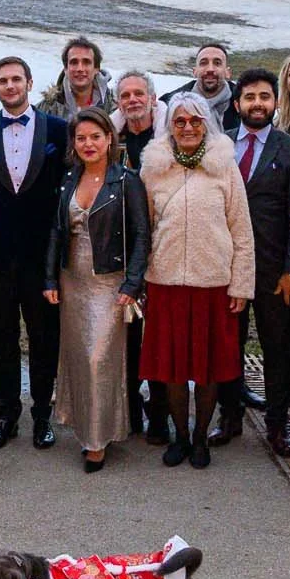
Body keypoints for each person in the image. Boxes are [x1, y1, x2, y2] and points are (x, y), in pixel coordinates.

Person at [139, 92, 254, 468]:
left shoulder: (225, 168)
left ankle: (202, 437)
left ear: (207, 123)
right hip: (165, 281)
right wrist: (139, 279)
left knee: (207, 368)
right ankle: (181, 436)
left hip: (213, 283)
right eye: (180, 121)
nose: (187, 127)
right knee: (172, 367)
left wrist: (240, 285)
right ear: (169, 125)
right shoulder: (153, 169)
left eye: (195, 121)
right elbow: (145, 228)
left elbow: (241, 230)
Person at [43, 107, 149, 470]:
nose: (88, 144)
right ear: (73, 143)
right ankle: (84, 428)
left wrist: (133, 284)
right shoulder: (69, 178)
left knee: (99, 359)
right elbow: (57, 231)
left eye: (95, 137)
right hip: (73, 279)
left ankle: (99, 439)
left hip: (110, 282)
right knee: (76, 357)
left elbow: (141, 236)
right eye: (81, 138)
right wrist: (49, 279)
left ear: (109, 139)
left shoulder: (127, 180)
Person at [0, 56, 69, 451]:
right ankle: (7, 414)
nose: (10, 86)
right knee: (1, 338)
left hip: (41, 257)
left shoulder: (59, 130)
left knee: (44, 338)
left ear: (30, 83)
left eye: (16, 79)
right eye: (2, 81)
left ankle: (42, 415)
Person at [214, 68, 290, 453]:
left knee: (276, 346)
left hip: (273, 268)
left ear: (275, 102)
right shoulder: (219, 146)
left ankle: (277, 425)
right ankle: (229, 417)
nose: (257, 104)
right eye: (250, 97)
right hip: (226, 265)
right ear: (237, 104)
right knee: (228, 345)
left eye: (264, 97)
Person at [114, 70, 166, 440]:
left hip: (162, 247)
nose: (132, 100)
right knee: (129, 337)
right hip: (121, 249)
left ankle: (161, 412)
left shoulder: (167, 138)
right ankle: (130, 409)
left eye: (138, 93)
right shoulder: (111, 137)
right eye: (125, 95)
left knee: (159, 336)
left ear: (152, 97)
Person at [160, 42, 239, 132]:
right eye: (203, 63)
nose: (210, 69)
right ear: (195, 71)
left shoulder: (244, 104)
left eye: (217, 63)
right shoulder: (169, 105)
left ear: (228, 72)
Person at [36, 35, 117, 117]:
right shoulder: (46, 109)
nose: (80, 69)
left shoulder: (114, 106)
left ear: (96, 69)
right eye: (74, 62)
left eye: (86, 62)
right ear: (66, 69)